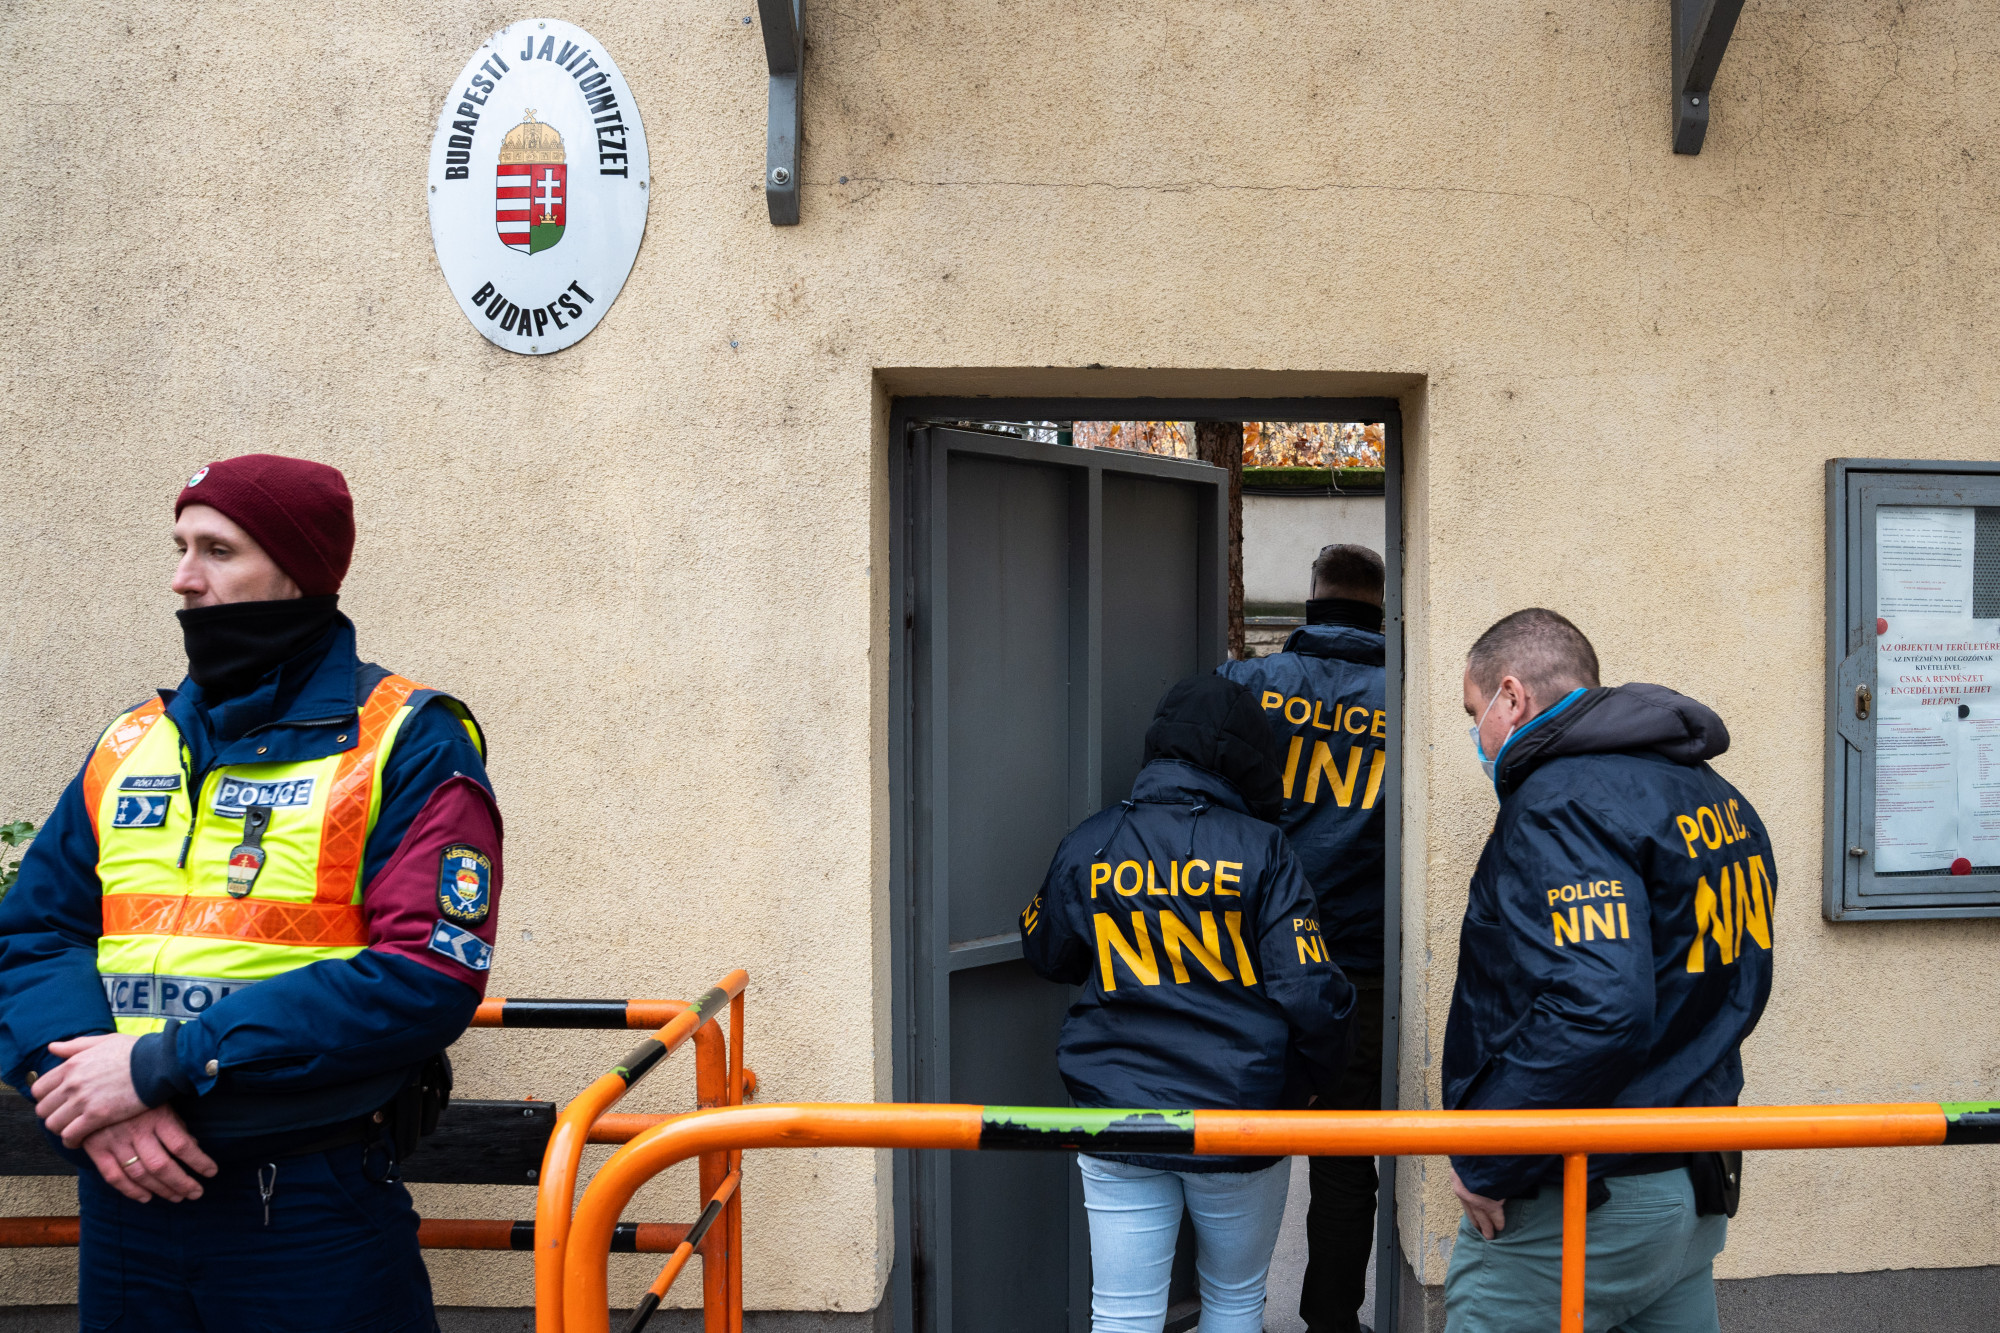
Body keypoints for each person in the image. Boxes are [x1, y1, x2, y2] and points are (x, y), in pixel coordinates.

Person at [0, 455, 504, 1332]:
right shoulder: (132, 742)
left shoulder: (407, 739)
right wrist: (78, 1089)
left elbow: (426, 973)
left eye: (219, 550)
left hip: (306, 1207)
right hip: (125, 1199)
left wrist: (160, 1064)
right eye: (181, 547)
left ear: (299, 571)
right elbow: (34, 934)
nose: (183, 578)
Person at [1443, 609, 1774, 1333]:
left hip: (1586, 1194)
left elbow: (1600, 1009)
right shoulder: (1711, 793)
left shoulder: (1560, 805)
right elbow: (1739, 986)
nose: (1478, 736)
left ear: (1512, 697)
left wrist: (1487, 1155)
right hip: (1691, 1176)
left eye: (1474, 713)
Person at [1021, 673, 1355, 1333]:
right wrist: (1312, 1080)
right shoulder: (1264, 850)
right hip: (1241, 1116)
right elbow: (1310, 990)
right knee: (1234, 1299)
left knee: (1122, 1311)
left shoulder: (1093, 840)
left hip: (1118, 1114)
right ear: (1251, 758)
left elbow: (1047, 951)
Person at [1218, 542, 1389, 1333]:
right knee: (1346, 1156)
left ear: (1312, 599)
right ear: (1381, 609)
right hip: (1361, 964)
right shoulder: (1405, 696)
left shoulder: (1250, 684)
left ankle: (1227, 1312)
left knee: (1228, 1139)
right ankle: (1331, 1321)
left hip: (1250, 957)